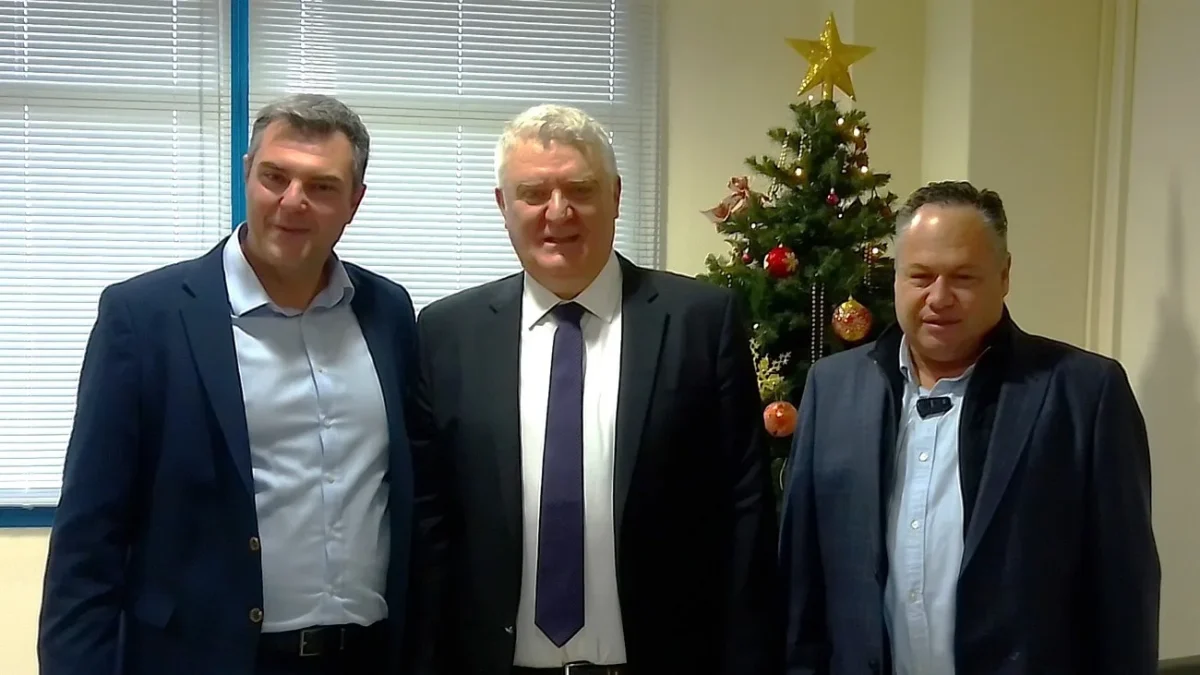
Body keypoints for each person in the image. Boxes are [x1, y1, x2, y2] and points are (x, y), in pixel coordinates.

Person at [38, 93, 427, 674]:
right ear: (247, 174)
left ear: (355, 202)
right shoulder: (145, 318)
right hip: (204, 658)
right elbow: (88, 536)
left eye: (321, 186)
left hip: (368, 655)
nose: (292, 201)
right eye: (275, 177)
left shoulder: (387, 312)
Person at [408, 103, 779, 674]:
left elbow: (745, 508)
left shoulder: (700, 322)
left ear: (616, 196)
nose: (558, 212)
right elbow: (430, 521)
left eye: (580, 190)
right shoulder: (447, 333)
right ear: (503, 206)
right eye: (534, 193)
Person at [779, 180, 1161, 675]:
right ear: (895, 277)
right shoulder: (832, 388)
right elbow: (803, 581)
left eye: (963, 277)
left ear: (1004, 276)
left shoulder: (1085, 393)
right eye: (920, 276)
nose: (939, 298)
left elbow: (1125, 590)